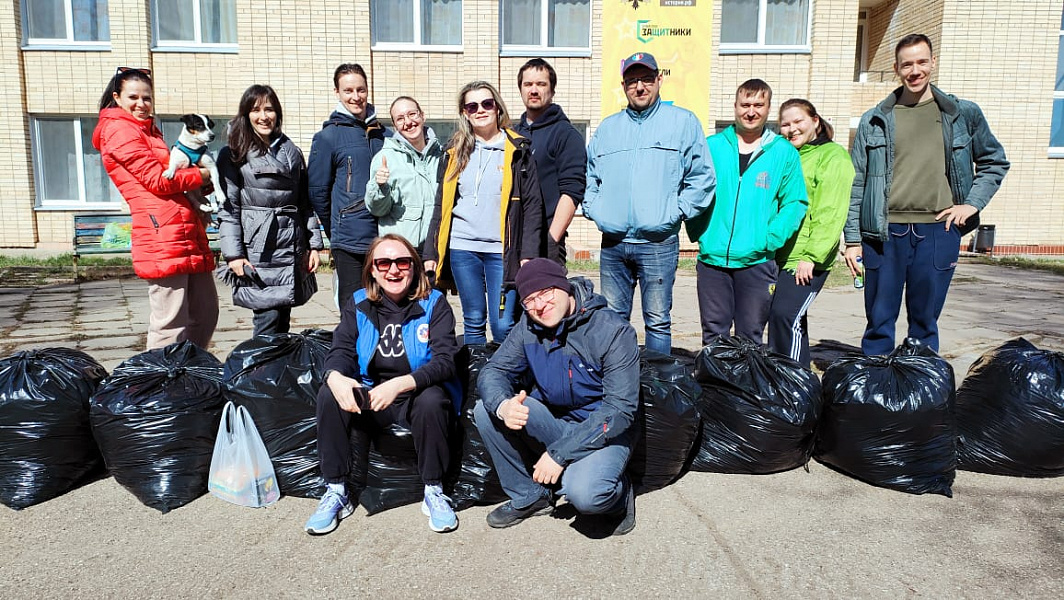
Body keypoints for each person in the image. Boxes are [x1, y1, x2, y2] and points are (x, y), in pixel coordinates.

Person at [845, 34, 1009, 355]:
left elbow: (993, 161)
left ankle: (921, 390)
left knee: (924, 322)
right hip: (883, 234)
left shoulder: (961, 114)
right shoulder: (875, 119)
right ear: (896, 68)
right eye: (907, 64)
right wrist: (852, 240)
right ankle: (874, 394)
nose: (915, 70)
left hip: (938, 231)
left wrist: (971, 204)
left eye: (922, 62)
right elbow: (857, 182)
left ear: (933, 62)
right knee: (878, 322)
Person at [305, 233, 461, 535]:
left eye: (402, 262)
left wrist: (402, 384)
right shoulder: (359, 303)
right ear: (372, 270)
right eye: (384, 263)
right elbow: (340, 350)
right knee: (329, 394)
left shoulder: (435, 304)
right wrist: (334, 377)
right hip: (371, 394)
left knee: (432, 399)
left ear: (414, 267)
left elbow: (445, 361)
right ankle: (336, 489)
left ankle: (433, 489)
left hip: (413, 395)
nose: (394, 270)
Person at [474, 258, 639, 535]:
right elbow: (494, 371)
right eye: (529, 300)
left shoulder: (611, 330)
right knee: (486, 410)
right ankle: (530, 496)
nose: (539, 305)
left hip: (604, 430)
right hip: (558, 421)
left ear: (564, 287)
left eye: (546, 293)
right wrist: (503, 406)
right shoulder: (528, 326)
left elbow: (620, 411)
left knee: (586, 495)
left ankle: (619, 496)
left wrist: (559, 454)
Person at [583, 52, 715, 355]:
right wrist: (596, 210)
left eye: (645, 79)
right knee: (613, 320)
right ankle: (619, 384)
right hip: (613, 243)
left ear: (659, 80)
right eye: (632, 81)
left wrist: (675, 213)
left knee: (657, 321)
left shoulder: (682, 122)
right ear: (623, 85)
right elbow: (591, 176)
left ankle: (656, 389)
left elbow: (702, 177)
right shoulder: (608, 128)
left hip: (658, 242)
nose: (639, 87)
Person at [91, 67, 219, 350]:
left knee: (204, 315)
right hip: (160, 233)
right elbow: (157, 181)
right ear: (117, 97)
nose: (141, 104)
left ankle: (191, 376)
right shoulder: (118, 131)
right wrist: (204, 176)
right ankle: (159, 385)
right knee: (170, 323)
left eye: (146, 98)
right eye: (133, 97)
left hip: (183, 228)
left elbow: (177, 177)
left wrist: (203, 186)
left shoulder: (148, 130)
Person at [687, 79, 808, 345]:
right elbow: (691, 187)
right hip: (713, 260)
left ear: (768, 109)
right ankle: (716, 387)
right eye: (745, 104)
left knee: (750, 336)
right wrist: (699, 230)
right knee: (713, 334)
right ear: (735, 106)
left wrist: (770, 239)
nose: (751, 111)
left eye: (758, 105)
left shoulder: (783, 152)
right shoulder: (712, 146)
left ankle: (745, 388)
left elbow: (795, 203)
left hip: (757, 262)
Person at [423, 81, 544, 345]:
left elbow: (533, 206)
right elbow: (440, 207)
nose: (480, 110)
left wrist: (528, 254)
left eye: (487, 104)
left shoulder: (519, 150)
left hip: (503, 252)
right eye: (472, 106)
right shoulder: (454, 152)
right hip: (463, 248)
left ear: (497, 107)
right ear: (465, 113)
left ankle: (506, 380)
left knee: (502, 325)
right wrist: (431, 253)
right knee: (474, 320)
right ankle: (476, 382)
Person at [216, 85, 324, 336]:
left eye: (269, 109)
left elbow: (304, 203)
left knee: (283, 318)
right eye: (256, 110)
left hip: (290, 245)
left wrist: (314, 245)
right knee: (267, 320)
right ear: (245, 114)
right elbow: (229, 209)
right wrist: (233, 256)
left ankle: (276, 371)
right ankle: (259, 372)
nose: (264, 116)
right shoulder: (233, 153)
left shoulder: (291, 151)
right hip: (259, 249)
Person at [767, 99, 855, 368]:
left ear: (815, 121)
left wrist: (812, 256)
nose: (791, 129)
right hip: (781, 254)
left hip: (806, 258)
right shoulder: (789, 155)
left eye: (798, 121)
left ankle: (796, 382)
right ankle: (787, 378)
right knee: (788, 319)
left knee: (785, 316)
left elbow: (830, 212)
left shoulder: (833, 156)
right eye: (785, 124)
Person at [308, 63, 388, 308]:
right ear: (337, 93)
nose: (356, 97)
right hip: (350, 240)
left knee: (387, 308)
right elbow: (317, 192)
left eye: (361, 90)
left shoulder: (383, 134)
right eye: (348, 91)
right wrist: (337, 227)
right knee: (354, 309)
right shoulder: (328, 137)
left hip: (385, 234)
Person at [513, 58, 587, 265]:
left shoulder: (566, 135)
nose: (534, 90)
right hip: (513, 243)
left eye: (541, 84)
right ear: (521, 90)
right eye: (528, 84)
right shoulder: (512, 135)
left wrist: (552, 239)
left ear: (552, 90)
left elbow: (572, 191)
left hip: (546, 244)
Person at [365, 96, 442, 252]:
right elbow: (378, 210)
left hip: (438, 247)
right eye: (400, 119)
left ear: (422, 115)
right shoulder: (385, 158)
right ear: (394, 126)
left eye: (412, 114)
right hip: (404, 250)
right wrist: (380, 187)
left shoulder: (441, 155)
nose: (408, 122)